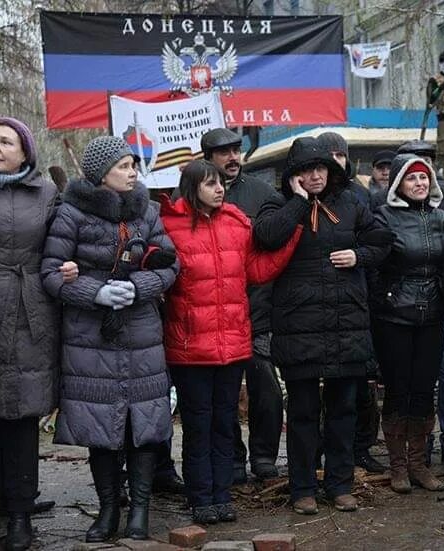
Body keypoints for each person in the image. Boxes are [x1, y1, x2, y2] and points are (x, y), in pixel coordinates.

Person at [42, 136, 178, 543]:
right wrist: (93, 291)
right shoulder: (70, 214)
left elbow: (172, 265)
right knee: (101, 429)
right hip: (90, 338)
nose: (133, 171)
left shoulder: (147, 210)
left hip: (141, 333)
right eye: (124, 165)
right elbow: (50, 273)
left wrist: (140, 286)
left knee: (144, 426)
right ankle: (106, 511)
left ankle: (139, 511)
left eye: (134, 164)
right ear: (101, 173)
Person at [160, 160, 301, 524]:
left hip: (232, 344)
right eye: (210, 184)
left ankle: (222, 496)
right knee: (197, 425)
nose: (219, 188)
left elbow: (257, 270)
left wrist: (293, 235)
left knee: (225, 423)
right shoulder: (169, 226)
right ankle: (200, 497)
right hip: (190, 348)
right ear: (192, 188)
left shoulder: (237, 223)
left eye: (220, 182)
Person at [254, 137, 390, 515]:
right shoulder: (278, 203)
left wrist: (359, 255)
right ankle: (302, 487)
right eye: (307, 169)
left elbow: (383, 241)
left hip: (346, 322)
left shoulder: (352, 203)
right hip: (299, 325)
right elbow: (266, 237)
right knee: (301, 412)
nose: (315, 175)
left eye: (321, 168)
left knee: (344, 409)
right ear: (294, 174)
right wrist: (298, 202)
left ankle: (340, 483)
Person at [0, 117, 68, 551]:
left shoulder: (46, 193)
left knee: (23, 418)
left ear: (25, 152)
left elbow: (65, 242)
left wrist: (67, 266)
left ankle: (21, 516)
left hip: (31, 313)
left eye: (6, 141)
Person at [200, 127, 284, 483]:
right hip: (215, 315)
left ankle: (264, 458)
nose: (233, 157)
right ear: (208, 158)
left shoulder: (263, 193)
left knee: (266, 390)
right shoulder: (189, 196)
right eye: (224, 152)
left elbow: (279, 241)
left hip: (258, 310)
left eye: (237, 150)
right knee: (223, 396)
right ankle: (231, 459)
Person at [390, 139, 444, 468]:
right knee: (412, 382)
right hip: (402, 310)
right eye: (412, 170)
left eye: (426, 165)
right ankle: (414, 453)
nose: (422, 177)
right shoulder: (386, 213)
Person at [372, 154, 444, 493]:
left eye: (424, 178)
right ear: (398, 184)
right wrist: (384, 297)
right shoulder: (383, 216)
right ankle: (398, 466)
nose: (420, 184)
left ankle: (419, 464)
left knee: (423, 389)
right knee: (397, 389)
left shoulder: (440, 217)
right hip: (394, 315)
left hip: (432, 313)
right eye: (412, 179)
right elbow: (373, 263)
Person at [316, 131, 384, 473]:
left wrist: (359, 258)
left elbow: (376, 243)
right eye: (328, 156)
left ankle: (361, 448)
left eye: (339, 155)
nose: (334, 162)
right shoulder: (307, 196)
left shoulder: (360, 196)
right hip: (319, 304)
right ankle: (319, 452)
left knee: (361, 386)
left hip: (359, 299)